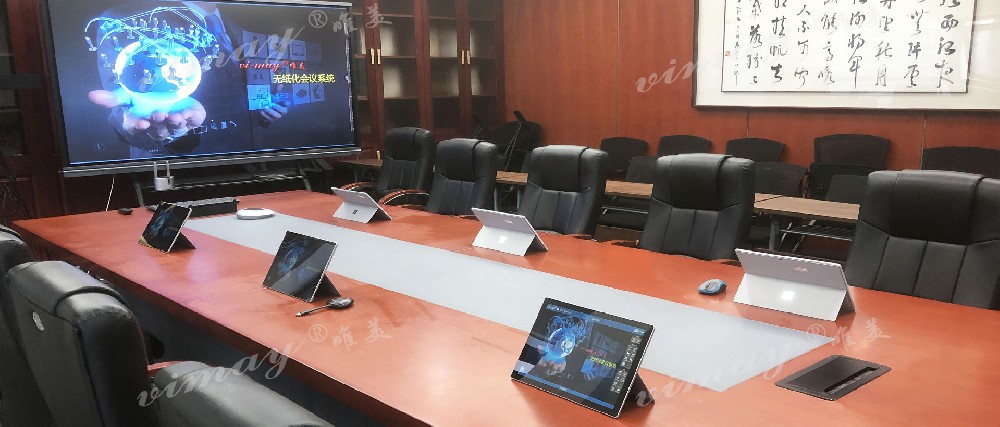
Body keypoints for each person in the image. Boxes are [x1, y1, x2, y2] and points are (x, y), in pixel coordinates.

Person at [87, 1, 289, 157]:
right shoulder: (127, 19)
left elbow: (235, 92)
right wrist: (168, 132)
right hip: (179, 172)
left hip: (247, 161)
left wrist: (262, 111)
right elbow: (122, 104)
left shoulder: (236, 28)